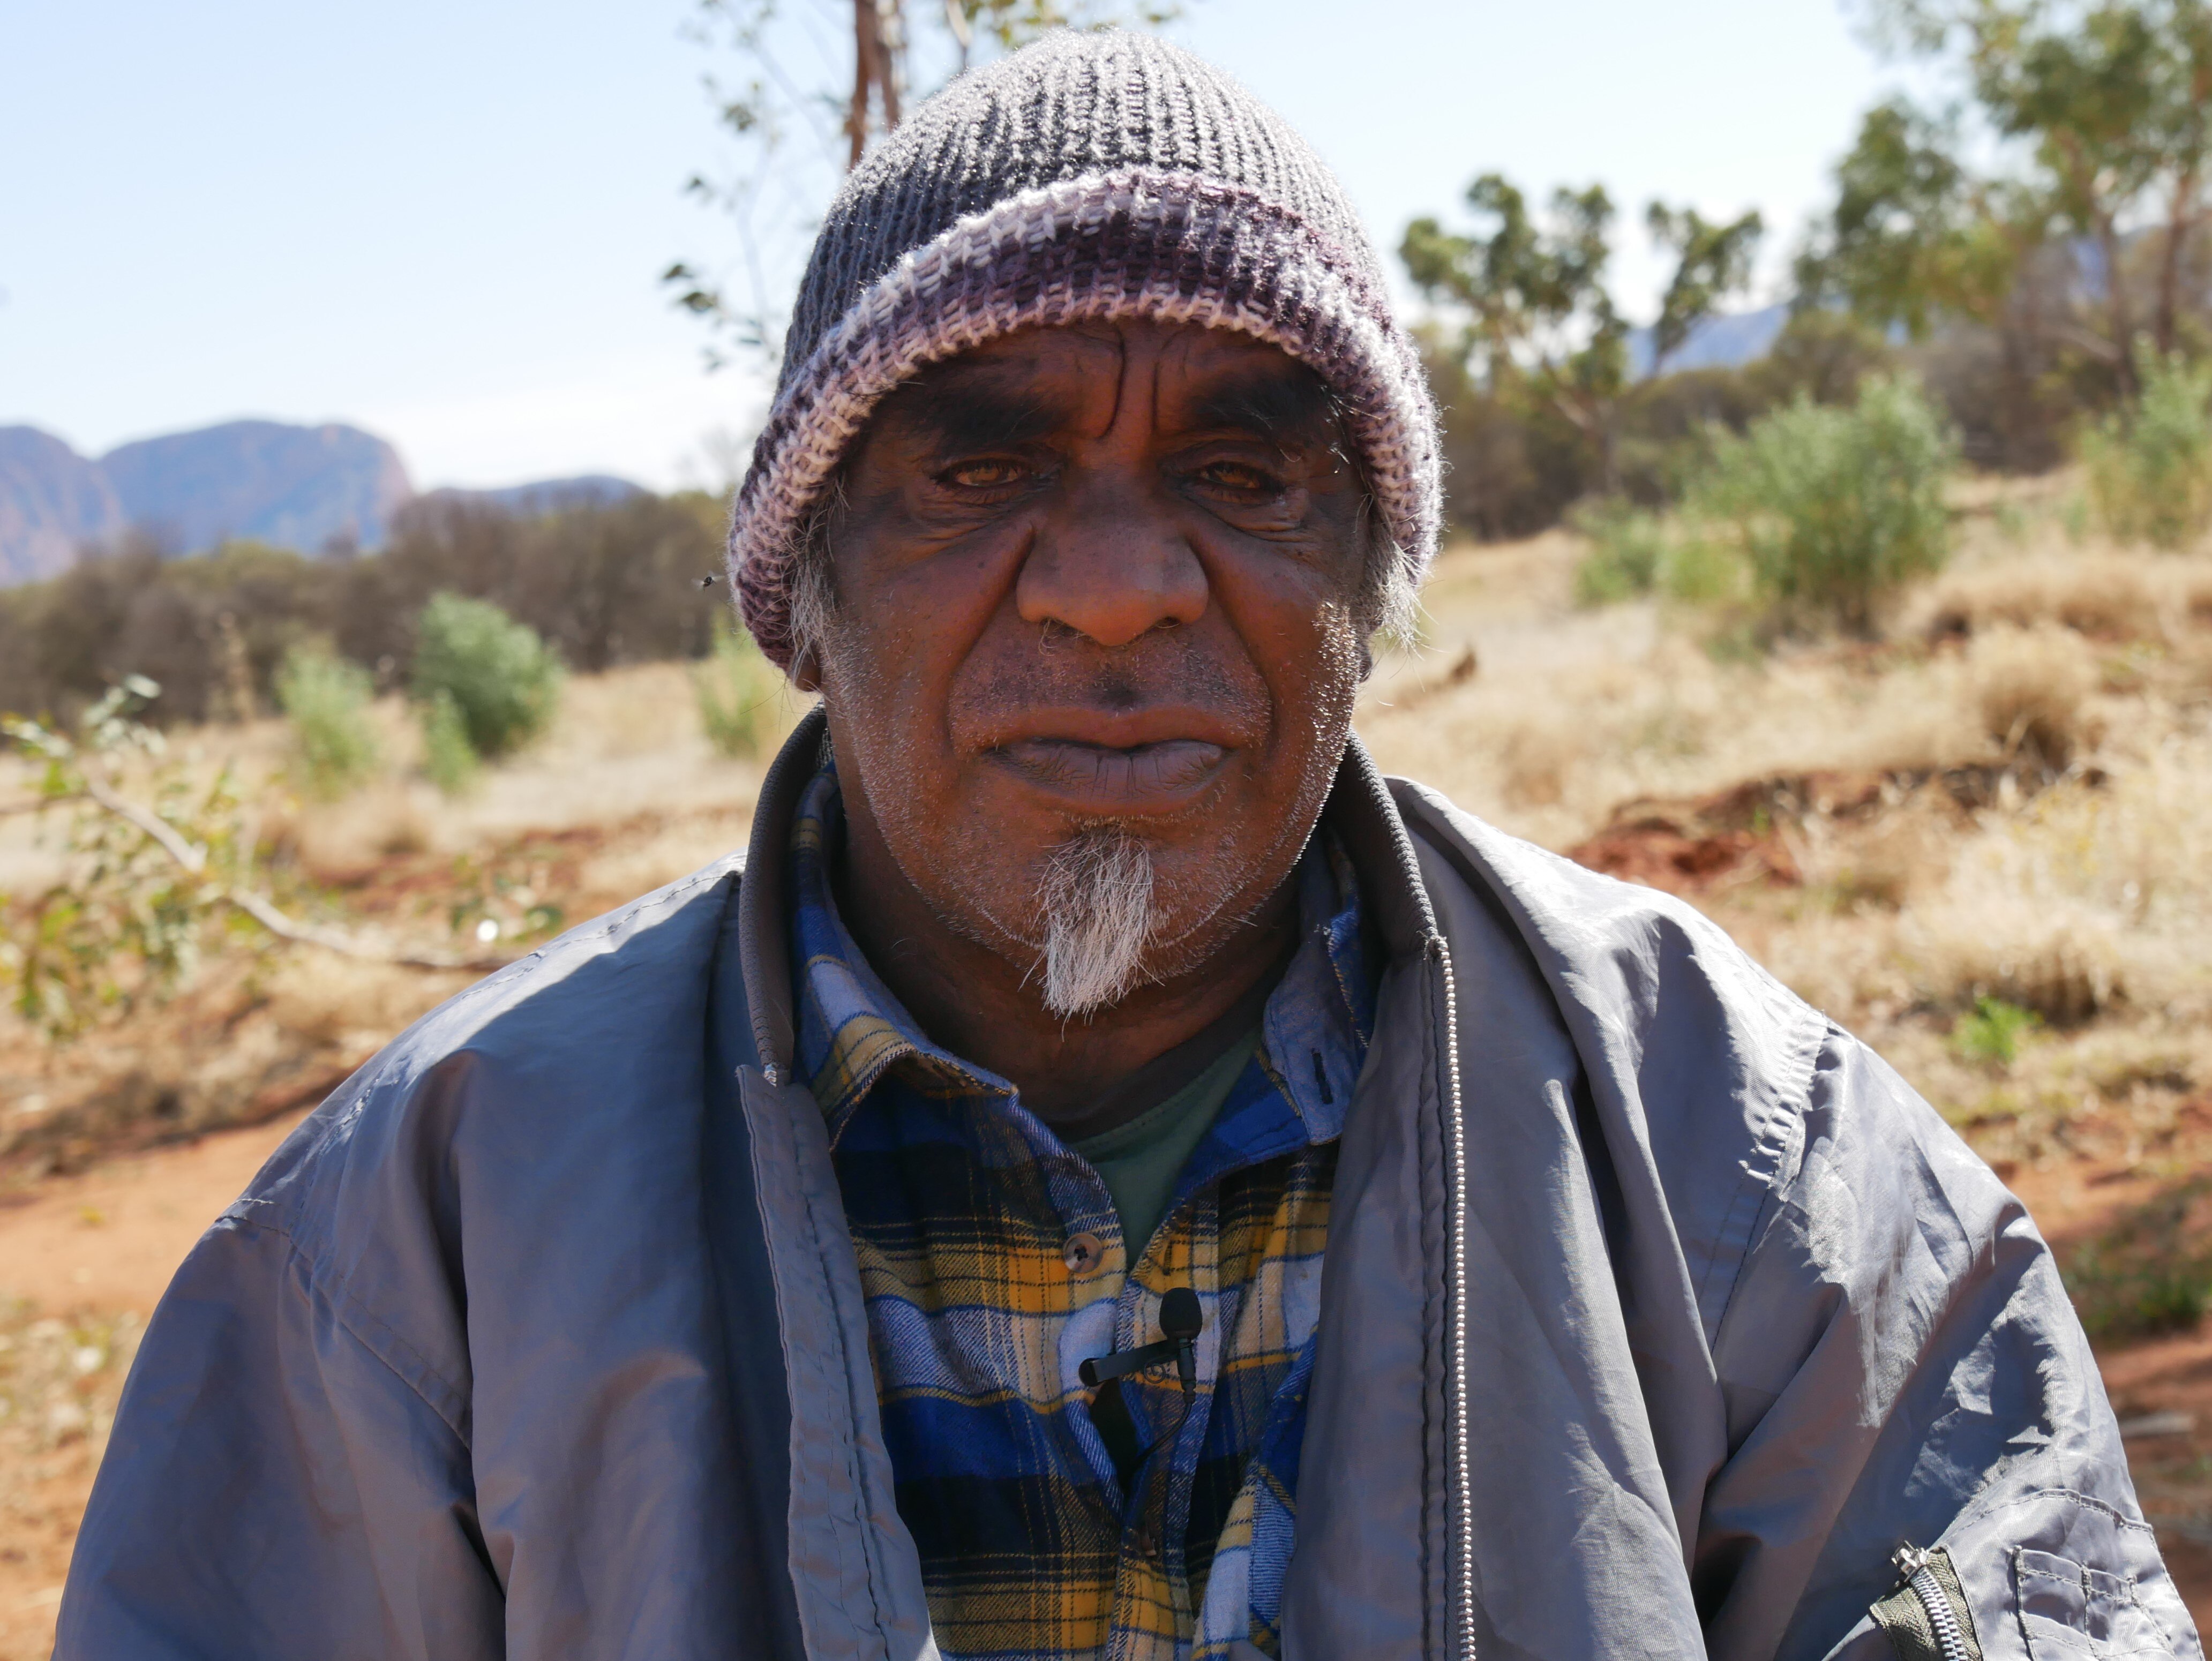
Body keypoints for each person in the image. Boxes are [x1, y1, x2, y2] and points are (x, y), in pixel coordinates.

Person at [57, 31, 2198, 1661]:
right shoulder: (414, 1238)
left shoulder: (1746, 1163)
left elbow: (1997, 1583)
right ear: (805, 598)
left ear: (1368, 583)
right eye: (976, 469)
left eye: (1244, 470)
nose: (1110, 584)